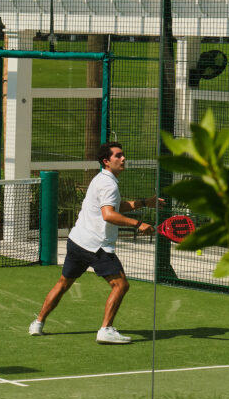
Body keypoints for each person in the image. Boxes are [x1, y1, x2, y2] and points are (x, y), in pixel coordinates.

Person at [29, 142, 164, 344]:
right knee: (121, 285)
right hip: (97, 245)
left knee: (63, 283)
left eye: (123, 155)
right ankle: (106, 330)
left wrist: (144, 202)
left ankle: (37, 323)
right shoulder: (108, 184)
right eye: (118, 156)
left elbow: (115, 206)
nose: (123, 158)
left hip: (78, 241)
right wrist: (139, 224)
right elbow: (109, 214)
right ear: (106, 161)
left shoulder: (101, 179)